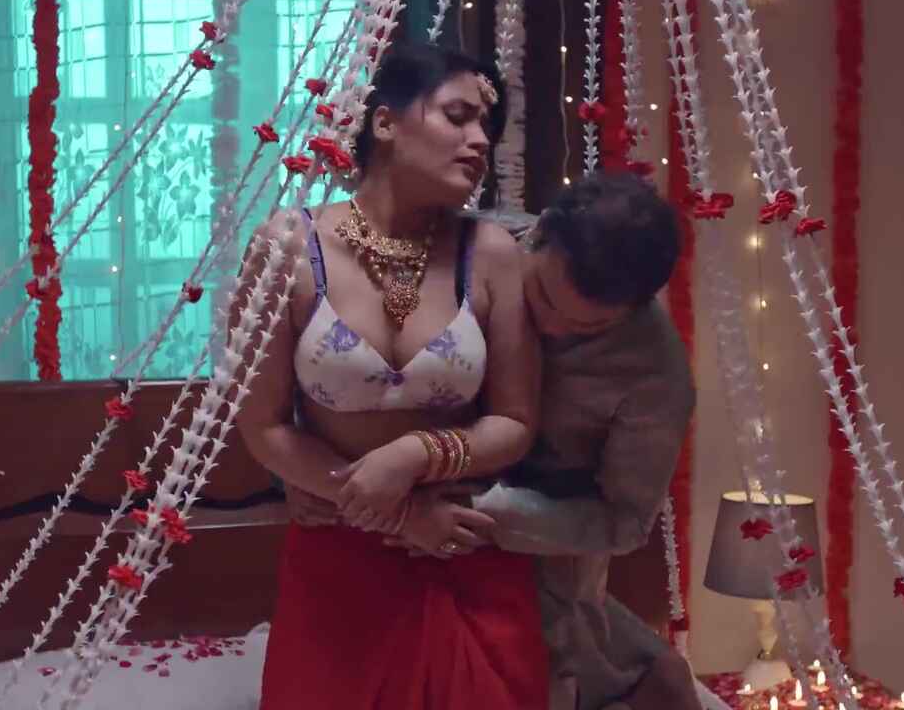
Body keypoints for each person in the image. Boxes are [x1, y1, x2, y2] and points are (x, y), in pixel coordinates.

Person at [286, 172, 702, 710]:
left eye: (587, 329)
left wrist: (480, 514)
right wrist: (308, 472)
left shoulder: (657, 375)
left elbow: (625, 521)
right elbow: (331, 364)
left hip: (538, 549)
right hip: (387, 521)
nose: (550, 328)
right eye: (543, 297)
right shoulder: (476, 246)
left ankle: (646, 675)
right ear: (538, 234)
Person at [238, 43, 548, 709]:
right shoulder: (288, 248)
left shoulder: (493, 254)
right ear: (385, 122)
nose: (479, 141)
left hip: (463, 549)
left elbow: (517, 421)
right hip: (338, 561)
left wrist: (416, 454)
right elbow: (262, 427)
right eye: (458, 116)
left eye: (487, 128)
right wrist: (399, 516)